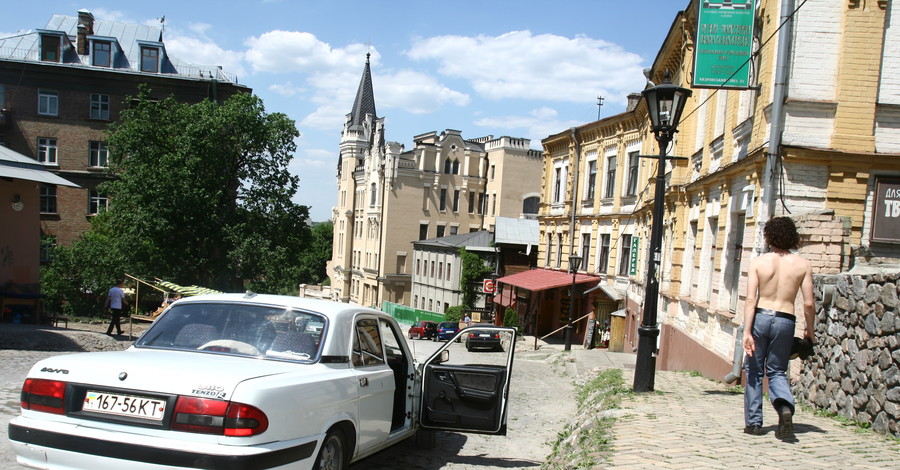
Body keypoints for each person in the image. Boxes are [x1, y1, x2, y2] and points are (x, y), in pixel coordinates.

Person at [742, 217, 815, 440]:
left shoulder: (758, 262)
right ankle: (784, 406)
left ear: (769, 236)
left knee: (754, 370)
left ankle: (754, 423)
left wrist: (747, 331)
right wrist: (810, 329)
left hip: (761, 317)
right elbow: (810, 303)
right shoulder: (803, 264)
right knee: (776, 370)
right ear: (792, 236)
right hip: (785, 319)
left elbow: (750, 300)